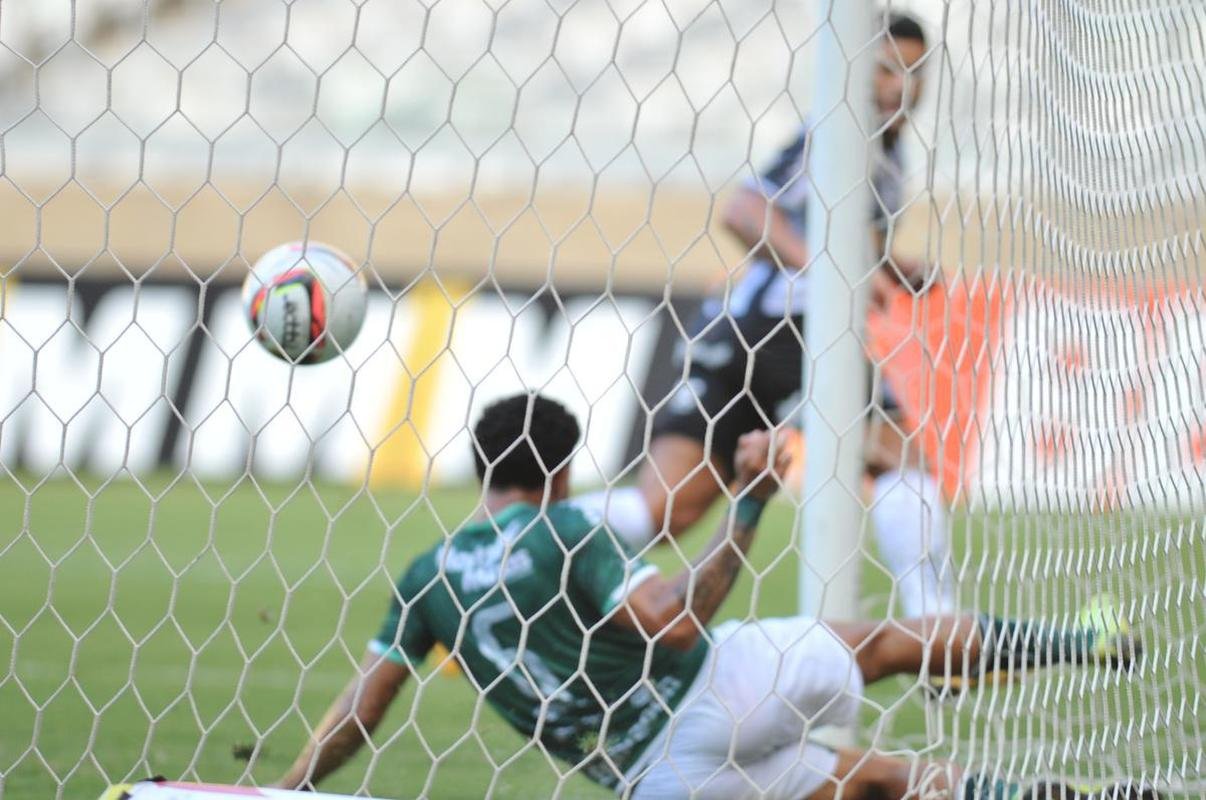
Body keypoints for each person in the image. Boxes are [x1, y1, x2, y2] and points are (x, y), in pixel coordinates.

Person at [273, 393, 1148, 799]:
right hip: (718, 690)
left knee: (872, 788)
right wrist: (752, 499)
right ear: (566, 470)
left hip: (655, 779)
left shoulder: (426, 577)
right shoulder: (569, 531)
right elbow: (678, 623)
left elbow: (364, 703)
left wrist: (288, 787)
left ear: (480, 471)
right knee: (886, 642)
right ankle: (1082, 643)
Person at [573, 12, 955, 620]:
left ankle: (515, 550)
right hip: (789, 335)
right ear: (855, 75)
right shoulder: (840, 136)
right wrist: (833, 276)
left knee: (667, 507)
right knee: (898, 458)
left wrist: (887, 265)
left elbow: (824, 230)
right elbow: (745, 210)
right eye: (886, 70)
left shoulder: (887, 151)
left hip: (735, 335)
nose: (901, 87)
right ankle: (937, 625)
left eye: (915, 73)